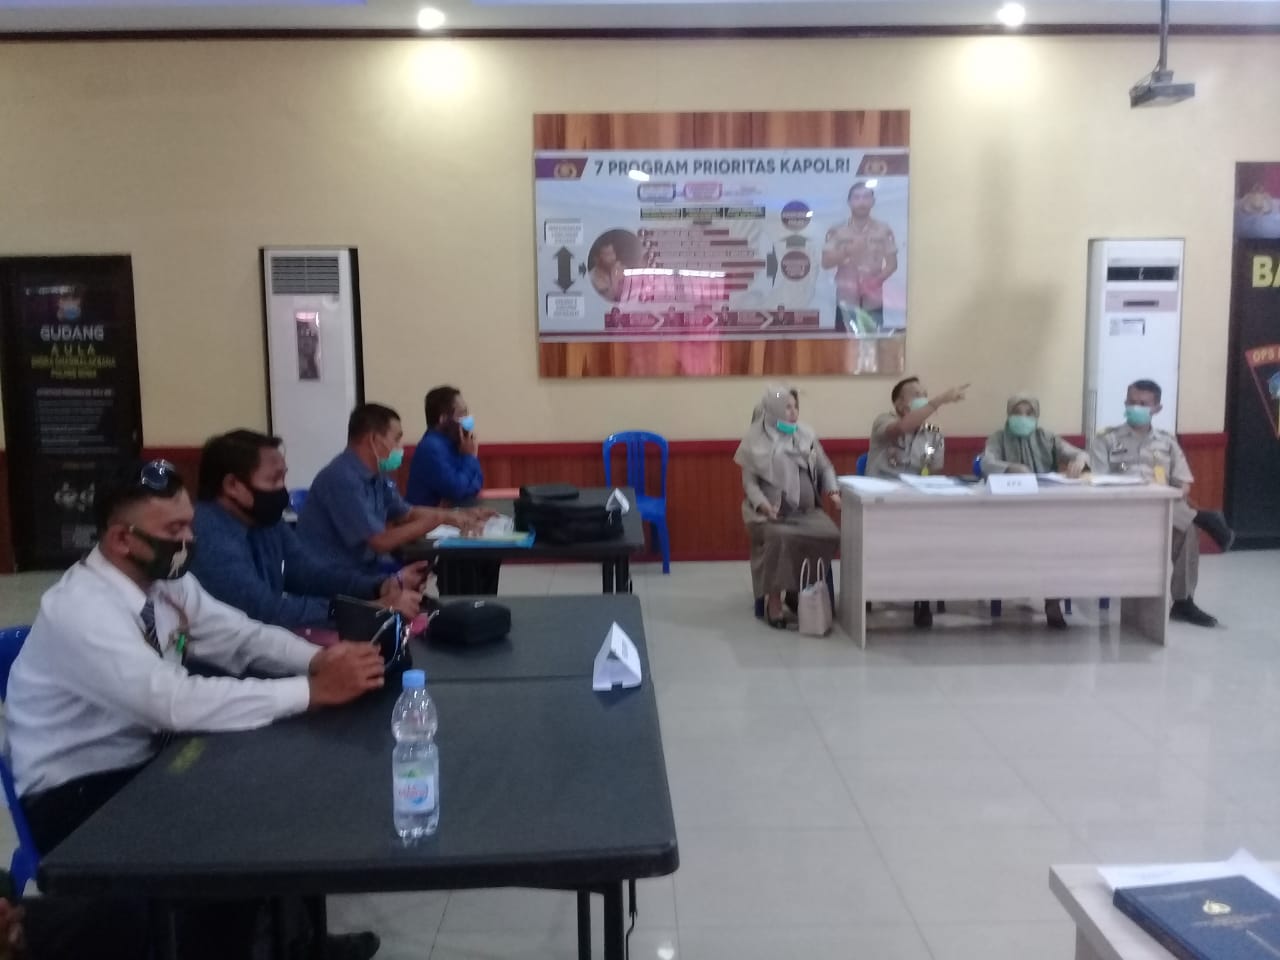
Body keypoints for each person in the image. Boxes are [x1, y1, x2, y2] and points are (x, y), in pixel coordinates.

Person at [6, 459, 387, 960]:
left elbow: (240, 635)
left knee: (278, 789)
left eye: (189, 524)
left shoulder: (163, 582)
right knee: (227, 838)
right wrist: (311, 692)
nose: (189, 539)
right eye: (174, 530)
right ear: (121, 539)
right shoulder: (81, 610)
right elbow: (173, 702)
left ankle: (293, 941)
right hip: (76, 792)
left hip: (143, 761)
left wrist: (318, 659)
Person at [192, 429, 427, 630]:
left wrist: (378, 586)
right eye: (273, 480)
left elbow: (309, 575)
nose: (282, 490)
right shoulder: (206, 534)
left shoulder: (265, 521)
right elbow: (263, 610)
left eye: (283, 478)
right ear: (232, 485)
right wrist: (367, 609)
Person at [1091, 379, 1227, 628]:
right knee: (1185, 518)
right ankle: (1203, 518)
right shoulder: (1106, 439)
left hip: (1161, 511)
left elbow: (1184, 483)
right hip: (1120, 511)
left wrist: (1168, 494)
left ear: (1157, 408)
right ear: (1124, 403)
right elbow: (1098, 480)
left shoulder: (1167, 442)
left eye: (1143, 404)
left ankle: (1183, 602)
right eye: (1131, 402)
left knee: (1186, 530)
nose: (1135, 407)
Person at [297, 403, 486, 576]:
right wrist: (437, 519)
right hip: (333, 578)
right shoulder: (342, 479)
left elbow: (406, 513)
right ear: (374, 440)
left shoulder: (376, 475)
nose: (400, 447)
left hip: (363, 570)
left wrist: (455, 515)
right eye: (396, 439)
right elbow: (380, 541)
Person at [735, 386, 841, 629]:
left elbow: (825, 467)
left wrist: (833, 492)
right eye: (786, 407)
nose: (793, 413)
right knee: (780, 538)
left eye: (795, 407)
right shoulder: (754, 442)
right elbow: (750, 485)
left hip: (807, 513)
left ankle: (799, 590)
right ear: (772, 411)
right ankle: (774, 600)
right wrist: (763, 506)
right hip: (771, 514)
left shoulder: (805, 435)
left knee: (830, 534)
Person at [983, 393, 1091, 629]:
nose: (1023, 418)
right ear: (1008, 415)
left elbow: (1079, 453)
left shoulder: (1047, 437)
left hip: (1046, 509)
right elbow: (986, 462)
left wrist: (1080, 461)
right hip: (1009, 512)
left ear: (1037, 416)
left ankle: (1053, 601)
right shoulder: (998, 438)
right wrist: (1011, 467)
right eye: (1017, 413)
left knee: (1059, 545)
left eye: (1029, 413)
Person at [868, 376, 968, 627]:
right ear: (899, 404)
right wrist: (939, 400)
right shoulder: (884, 422)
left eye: (925, 393)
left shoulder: (933, 435)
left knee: (930, 536)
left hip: (913, 503)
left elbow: (930, 468)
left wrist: (925, 484)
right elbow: (902, 428)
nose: (923, 398)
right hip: (880, 506)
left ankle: (922, 597)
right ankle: (869, 589)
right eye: (916, 395)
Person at [821, 181, 898, 335]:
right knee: (843, 344)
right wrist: (847, 252)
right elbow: (826, 262)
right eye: (856, 197)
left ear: (873, 201)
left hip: (873, 299)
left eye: (866, 197)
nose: (861, 202)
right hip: (846, 300)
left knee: (873, 343)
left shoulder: (883, 230)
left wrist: (876, 281)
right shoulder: (837, 230)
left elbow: (892, 264)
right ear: (849, 202)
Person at [407, 386, 483, 507]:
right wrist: (469, 457)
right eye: (462, 413)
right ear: (443, 419)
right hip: (429, 517)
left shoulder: (457, 443)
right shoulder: (431, 448)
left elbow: (478, 483)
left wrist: (461, 493)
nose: (468, 418)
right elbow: (457, 490)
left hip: (453, 514)